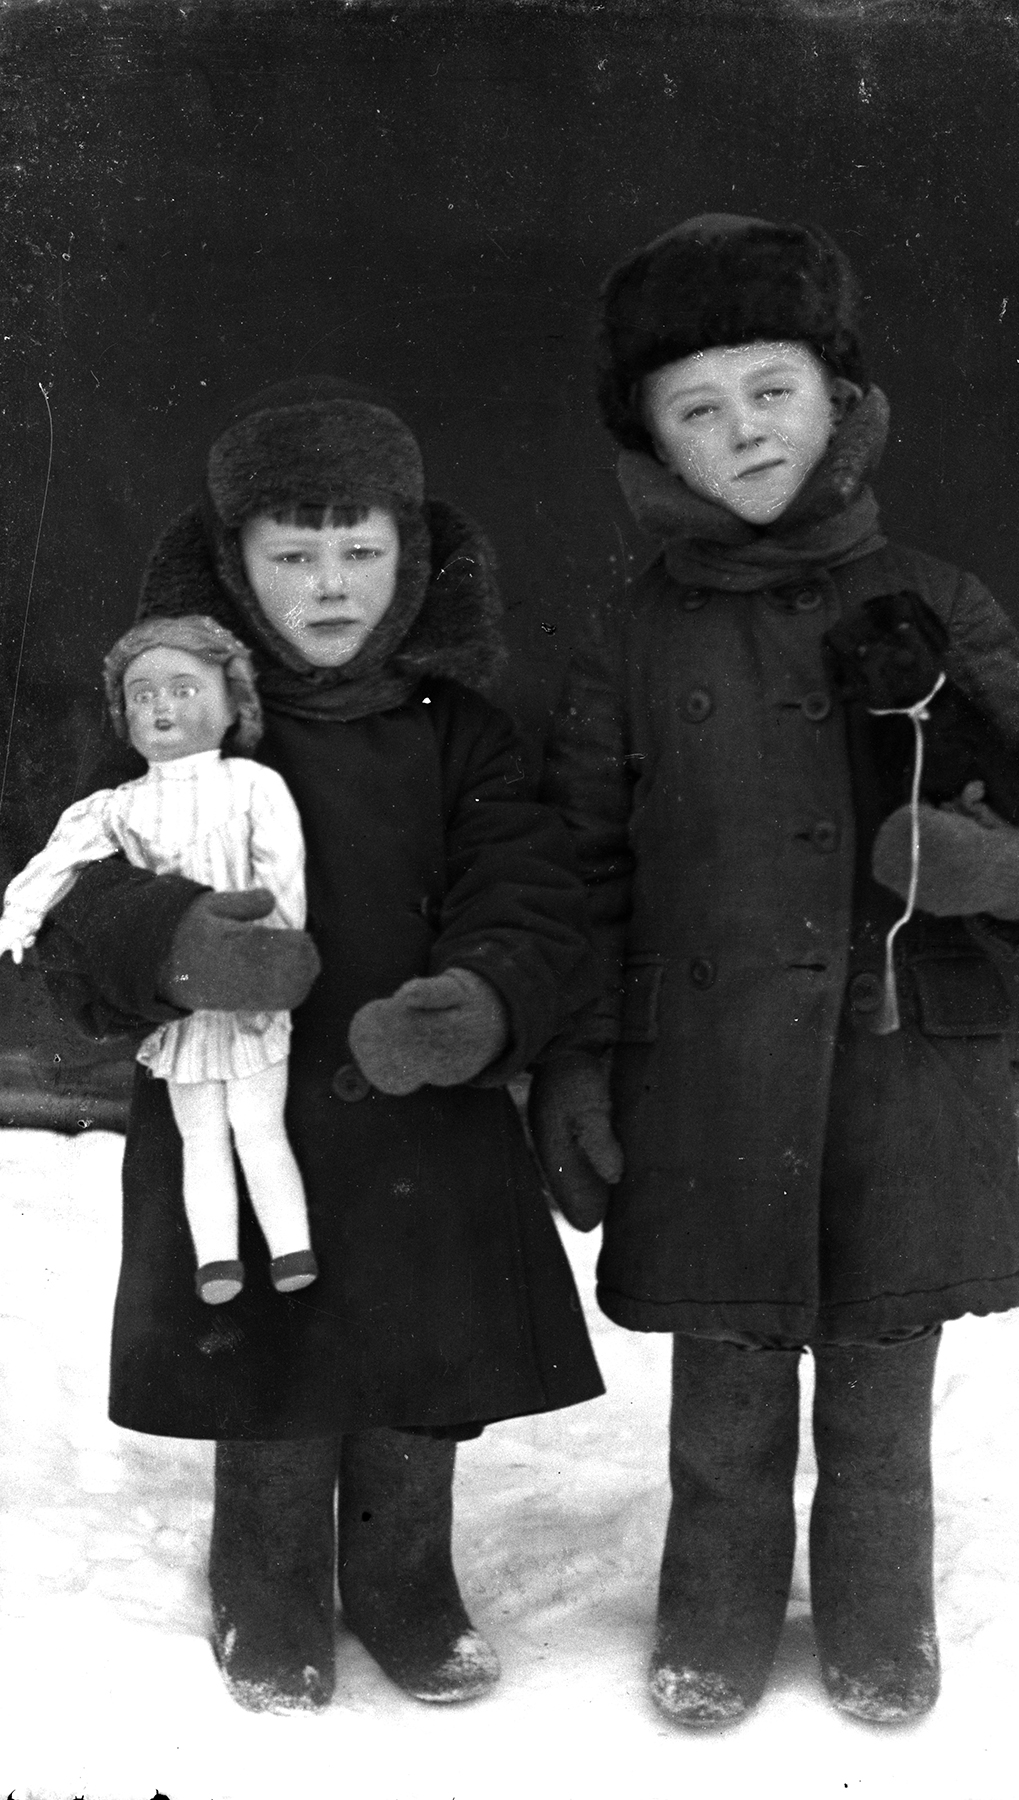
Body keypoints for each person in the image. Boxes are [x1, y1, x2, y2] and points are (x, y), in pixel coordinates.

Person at [529, 214, 1019, 1728]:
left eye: (770, 390)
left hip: (897, 1059)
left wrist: (994, 866)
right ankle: (714, 1612)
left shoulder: (937, 597)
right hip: (706, 1074)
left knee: (880, 1381)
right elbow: (578, 866)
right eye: (698, 408)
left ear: (835, 396)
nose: (744, 431)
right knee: (725, 1378)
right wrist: (574, 1060)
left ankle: (878, 1610)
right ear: (651, 440)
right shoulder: (631, 632)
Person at [31, 376, 604, 1715]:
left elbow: (528, 888)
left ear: (415, 562)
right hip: (241, 1103)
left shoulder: (463, 734)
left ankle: (404, 1580)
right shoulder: (179, 730)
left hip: (424, 1108)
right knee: (271, 1360)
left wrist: (482, 999)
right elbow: (74, 895)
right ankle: (270, 1579)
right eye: (293, 556)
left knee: (418, 1360)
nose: (330, 584)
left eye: (362, 550)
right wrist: (173, 943)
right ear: (232, 567)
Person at [1, 614, 316, 1306]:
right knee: (198, 1132)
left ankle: (290, 1246)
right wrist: (19, 916)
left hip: (250, 984)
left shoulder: (253, 788)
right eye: (142, 696)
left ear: (233, 704)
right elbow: (57, 862)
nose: (161, 707)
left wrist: (271, 971)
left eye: (183, 689)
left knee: (258, 1124)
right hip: (174, 996)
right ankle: (218, 1260)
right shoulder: (118, 807)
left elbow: (283, 879)